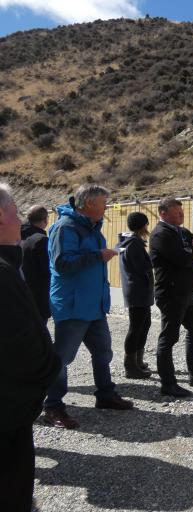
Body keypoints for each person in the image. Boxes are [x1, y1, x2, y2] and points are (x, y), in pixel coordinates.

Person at [43, 185, 133, 429]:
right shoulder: (66, 227)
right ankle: (52, 407)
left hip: (93, 305)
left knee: (103, 352)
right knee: (62, 358)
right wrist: (98, 255)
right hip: (73, 305)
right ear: (90, 204)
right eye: (104, 202)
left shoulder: (90, 227)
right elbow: (61, 264)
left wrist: (99, 255)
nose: (106, 207)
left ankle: (105, 395)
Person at [0, 184, 60, 512]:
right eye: (15, 211)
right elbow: (27, 351)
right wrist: (48, 371)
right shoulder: (2, 274)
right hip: (8, 417)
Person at [150, 197, 193, 397]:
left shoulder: (183, 232)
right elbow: (182, 259)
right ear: (163, 213)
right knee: (169, 337)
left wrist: (191, 253)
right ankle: (167, 383)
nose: (182, 215)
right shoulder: (160, 235)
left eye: (182, 212)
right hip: (171, 292)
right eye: (177, 213)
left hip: (187, 291)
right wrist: (191, 254)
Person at [116, 212, 154, 379]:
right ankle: (130, 366)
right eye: (146, 224)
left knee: (143, 325)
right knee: (136, 327)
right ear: (143, 225)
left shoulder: (128, 242)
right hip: (138, 290)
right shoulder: (135, 244)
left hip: (137, 290)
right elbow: (142, 267)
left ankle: (137, 361)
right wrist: (154, 260)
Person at [20, 204, 51, 321]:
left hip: (18, 293)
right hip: (37, 297)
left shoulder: (16, 235)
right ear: (45, 220)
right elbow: (46, 271)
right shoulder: (41, 240)